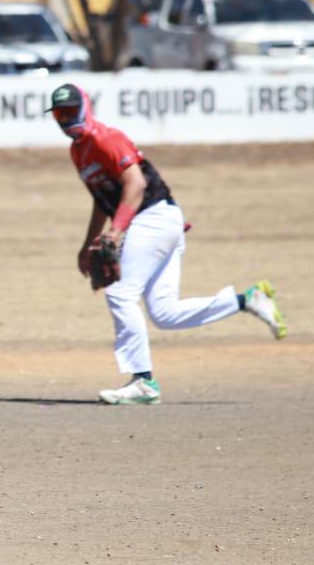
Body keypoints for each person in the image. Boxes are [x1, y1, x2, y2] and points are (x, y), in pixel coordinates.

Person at [48, 83, 287, 404]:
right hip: (158, 221)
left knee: (120, 292)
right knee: (165, 312)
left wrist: (115, 232)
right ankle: (247, 300)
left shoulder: (105, 138)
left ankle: (143, 382)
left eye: (69, 112)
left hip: (153, 216)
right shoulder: (77, 152)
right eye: (59, 115)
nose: (65, 120)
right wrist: (88, 242)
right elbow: (101, 199)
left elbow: (136, 183)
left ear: (85, 108)